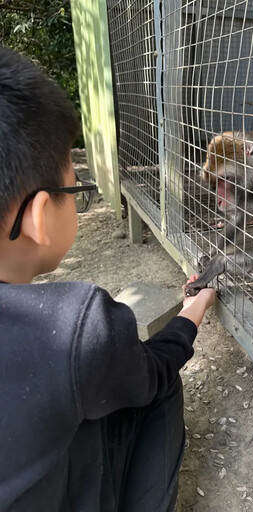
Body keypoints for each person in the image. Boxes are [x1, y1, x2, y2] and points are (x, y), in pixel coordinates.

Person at [0, 46, 216, 512]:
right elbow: (152, 372)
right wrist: (192, 312)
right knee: (156, 388)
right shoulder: (72, 327)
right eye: (74, 187)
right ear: (39, 215)